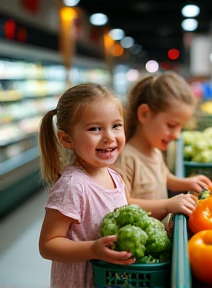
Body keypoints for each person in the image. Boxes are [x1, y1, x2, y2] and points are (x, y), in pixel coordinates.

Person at [38, 82, 197, 288]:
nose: (109, 137)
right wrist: (93, 249)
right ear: (67, 139)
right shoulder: (73, 186)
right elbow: (48, 245)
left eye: (116, 126)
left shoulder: (114, 176)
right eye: (95, 128)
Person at [113, 72, 212, 205]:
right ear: (144, 114)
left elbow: (164, 178)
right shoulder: (124, 160)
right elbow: (122, 204)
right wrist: (167, 205)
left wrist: (187, 183)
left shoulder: (155, 151)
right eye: (171, 126)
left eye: (180, 128)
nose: (177, 135)